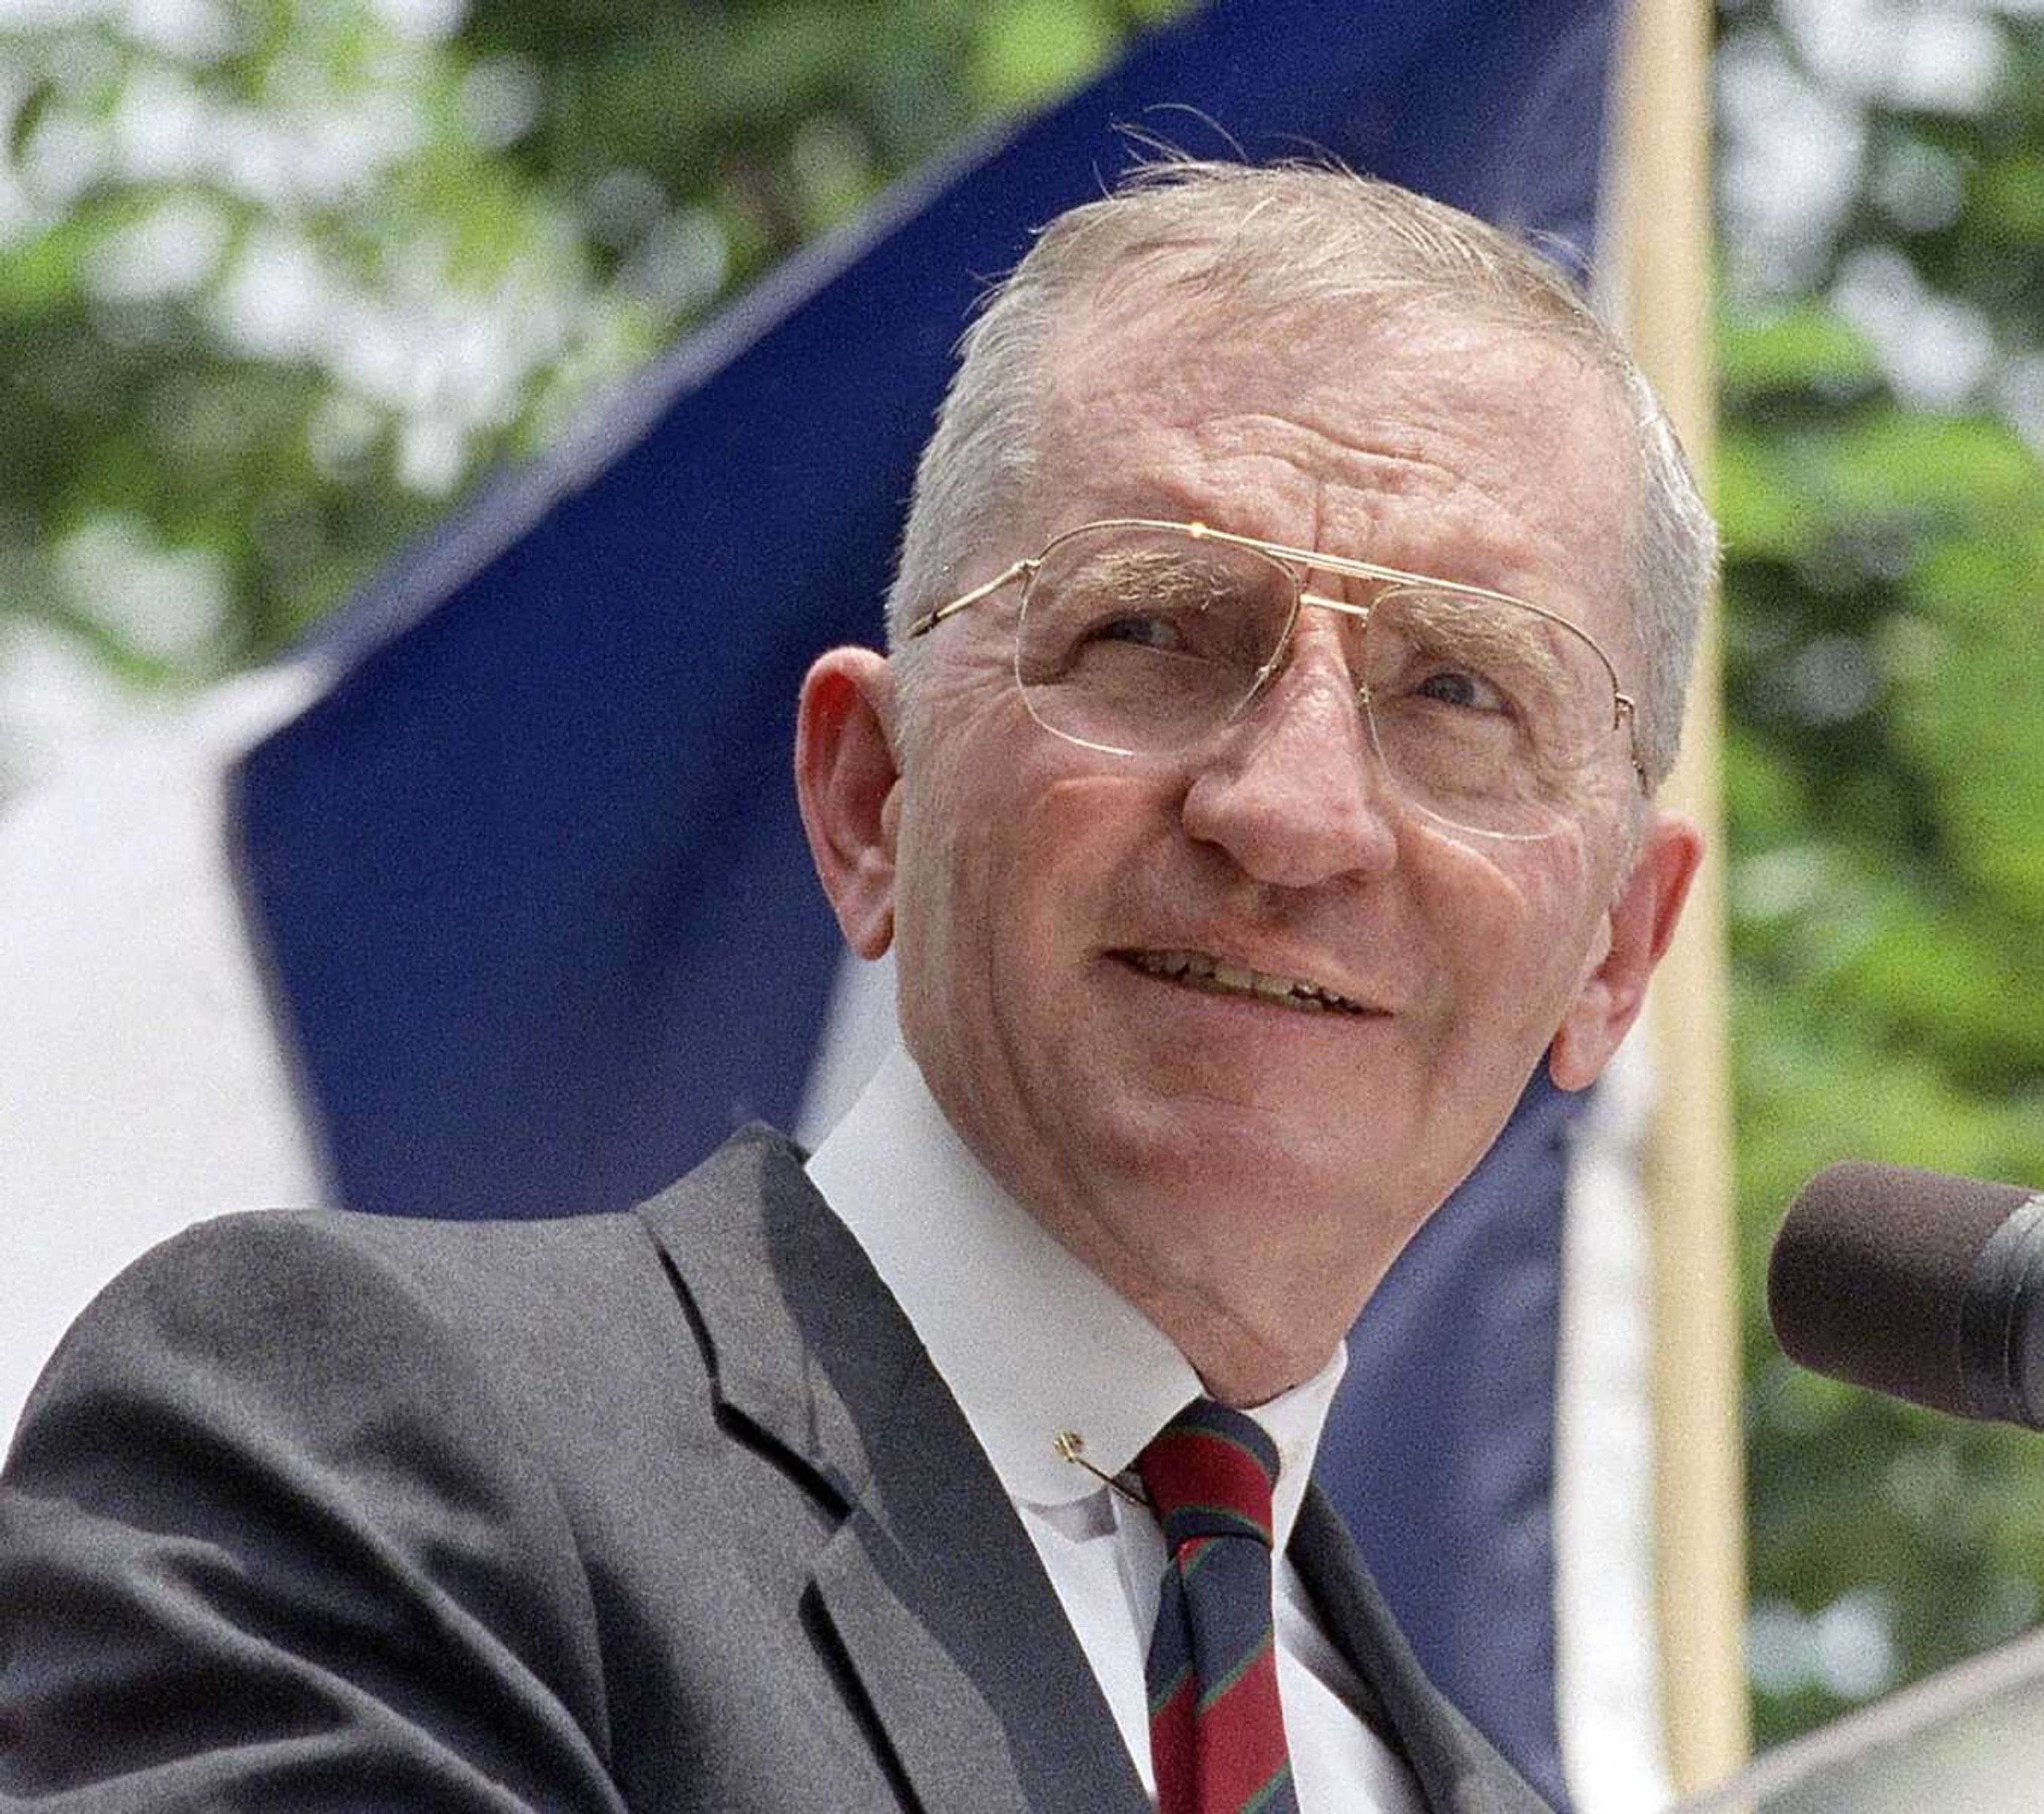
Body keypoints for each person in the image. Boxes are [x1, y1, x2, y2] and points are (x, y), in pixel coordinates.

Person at [0, 160, 1710, 1812]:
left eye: (1463, 691)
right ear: (870, 796)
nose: (1290, 809)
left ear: (1619, 950)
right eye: (1151, 630)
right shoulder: (356, 1445)